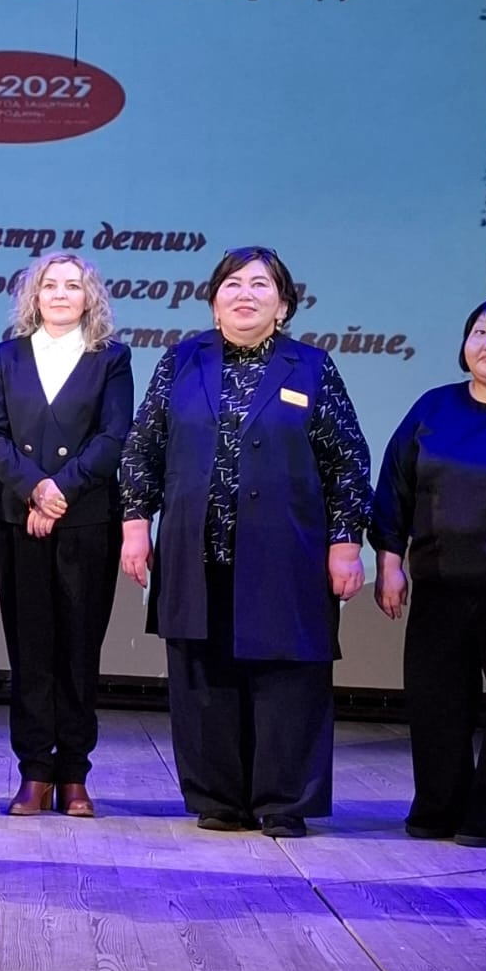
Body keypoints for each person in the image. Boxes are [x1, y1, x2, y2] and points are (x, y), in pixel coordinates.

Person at [119, 246, 371, 839]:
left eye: (260, 285)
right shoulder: (181, 361)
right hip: (197, 551)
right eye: (232, 284)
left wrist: (345, 541)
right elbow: (142, 447)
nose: (245, 294)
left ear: (282, 306)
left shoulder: (311, 367)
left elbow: (347, 461)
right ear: (213, 303)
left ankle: (284, 801)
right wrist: (135, 523)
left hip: (286, 552)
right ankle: (218, 797)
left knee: (287, 675)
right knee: (203, 677)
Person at [371, 297, 486, 848]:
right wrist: (389, 559)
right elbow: (396, 485)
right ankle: (438, 810)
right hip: (440, 583)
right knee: (435, 703)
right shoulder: (435, 406)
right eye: (480, 332)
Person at [0, 253, 133, 817]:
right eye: (50, 285)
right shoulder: (6, 356)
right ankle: (34, 773)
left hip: (85, 520)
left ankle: (73, 774)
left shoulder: (110, 358)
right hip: (18, 519)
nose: (61, 294)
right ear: (34, 296)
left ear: (90, 297)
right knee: (30, 650)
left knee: (78, 649)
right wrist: (34, 489)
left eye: (73, 285)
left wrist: (58, 491)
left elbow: (113, 437)